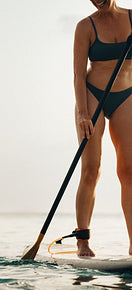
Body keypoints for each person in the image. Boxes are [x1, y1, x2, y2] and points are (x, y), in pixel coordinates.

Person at [73, 0, 132, 256]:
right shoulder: (85, 26)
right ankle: (83, 240)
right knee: (91, 169)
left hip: (126, 95)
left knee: (129, 171)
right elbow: (77, 74)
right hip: (92, 96)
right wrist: (83, 113)